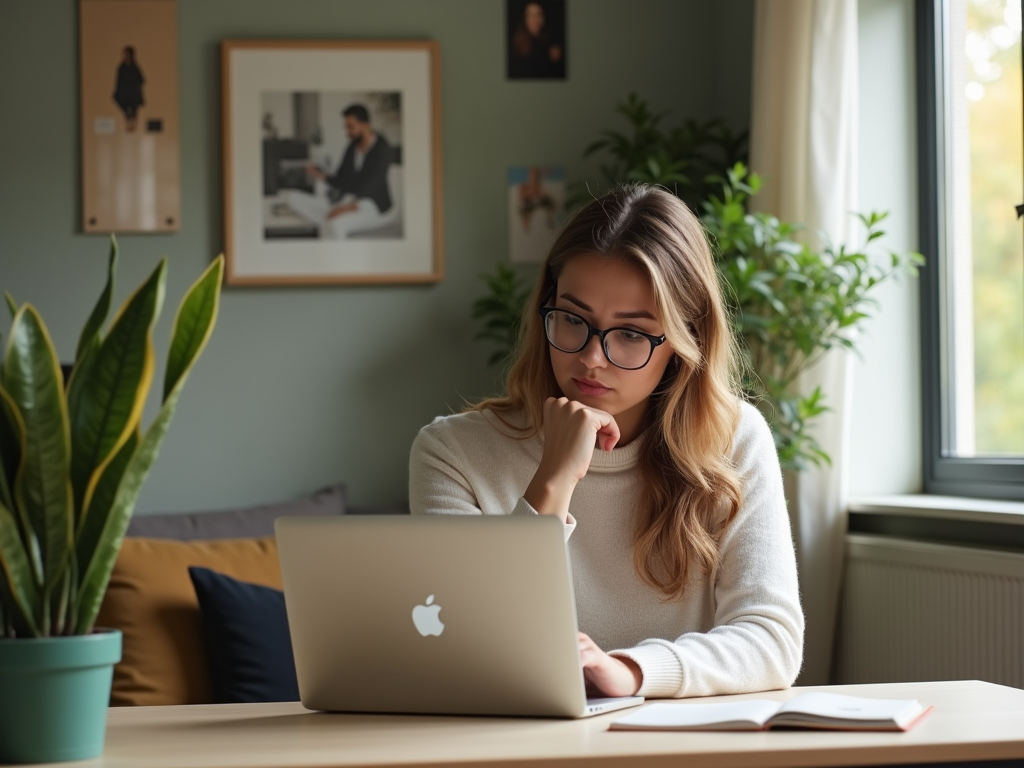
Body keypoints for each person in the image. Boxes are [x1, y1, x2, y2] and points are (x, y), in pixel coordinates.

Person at [410, 185, 803, 699]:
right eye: (573, 320)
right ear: (545, 310)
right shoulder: (453, 453)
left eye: (632, 334)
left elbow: (771, 641)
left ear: (684, 344)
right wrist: (552, 480)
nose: (592, 358)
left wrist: (632, 672)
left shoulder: (734, 440)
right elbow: (462, 645)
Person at [284, 103, 394, 239]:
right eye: (345, 126)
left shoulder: (382, 149)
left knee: (336, 225)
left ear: (365, 125)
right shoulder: (352, 148)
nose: (347, 132)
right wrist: (319, 174)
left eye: (351, 127)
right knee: (292, 198)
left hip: (372, 206)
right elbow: (341, 178)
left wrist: (343, 209)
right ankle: (328, 220)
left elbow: (370, 187)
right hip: (346, 200)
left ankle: (331, 231)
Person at [508, 1, 565, 79]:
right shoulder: (516, 45)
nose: (535, 19)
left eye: (539, 14)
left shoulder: (552, 41)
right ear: (525, 19)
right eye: (531, 15)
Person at [113, 46, 145, 132]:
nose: (125, 56)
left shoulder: (134, 67)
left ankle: (133, 124)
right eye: (124, 54)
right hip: (124, 92)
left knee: (134, 108)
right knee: (124, 106)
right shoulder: (121, 67)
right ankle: (128, 122)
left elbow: (142, 79)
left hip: (133, 92)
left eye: (127, 54)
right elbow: (118, 81)